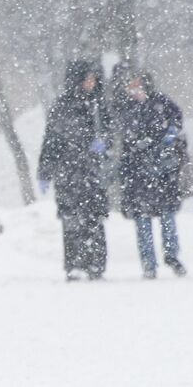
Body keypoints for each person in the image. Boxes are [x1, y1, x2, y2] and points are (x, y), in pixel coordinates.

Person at [38, 60, 111, 280]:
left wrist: (104, 142)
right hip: (68, 173)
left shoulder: (98, 105)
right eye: (88, 78)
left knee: (94, 220)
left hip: (92, 173)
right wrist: (45, 172)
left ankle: (96, 264)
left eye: (94, 78)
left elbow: (109, 132)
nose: (92, 82)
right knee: (71, 221)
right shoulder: (61, 107)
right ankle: (75, 264)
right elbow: (51, 141)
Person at [119, 70, 187, 278]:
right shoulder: (127, 109)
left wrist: (168, 136)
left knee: (167, 216)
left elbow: (176, 120)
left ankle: (171, 256)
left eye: (138, 85)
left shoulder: (161, 103)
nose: (135, 90)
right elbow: (126, 139)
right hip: (138, 173)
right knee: (143, 220)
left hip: (163, 172)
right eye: (132, 86)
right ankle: (149, 263)